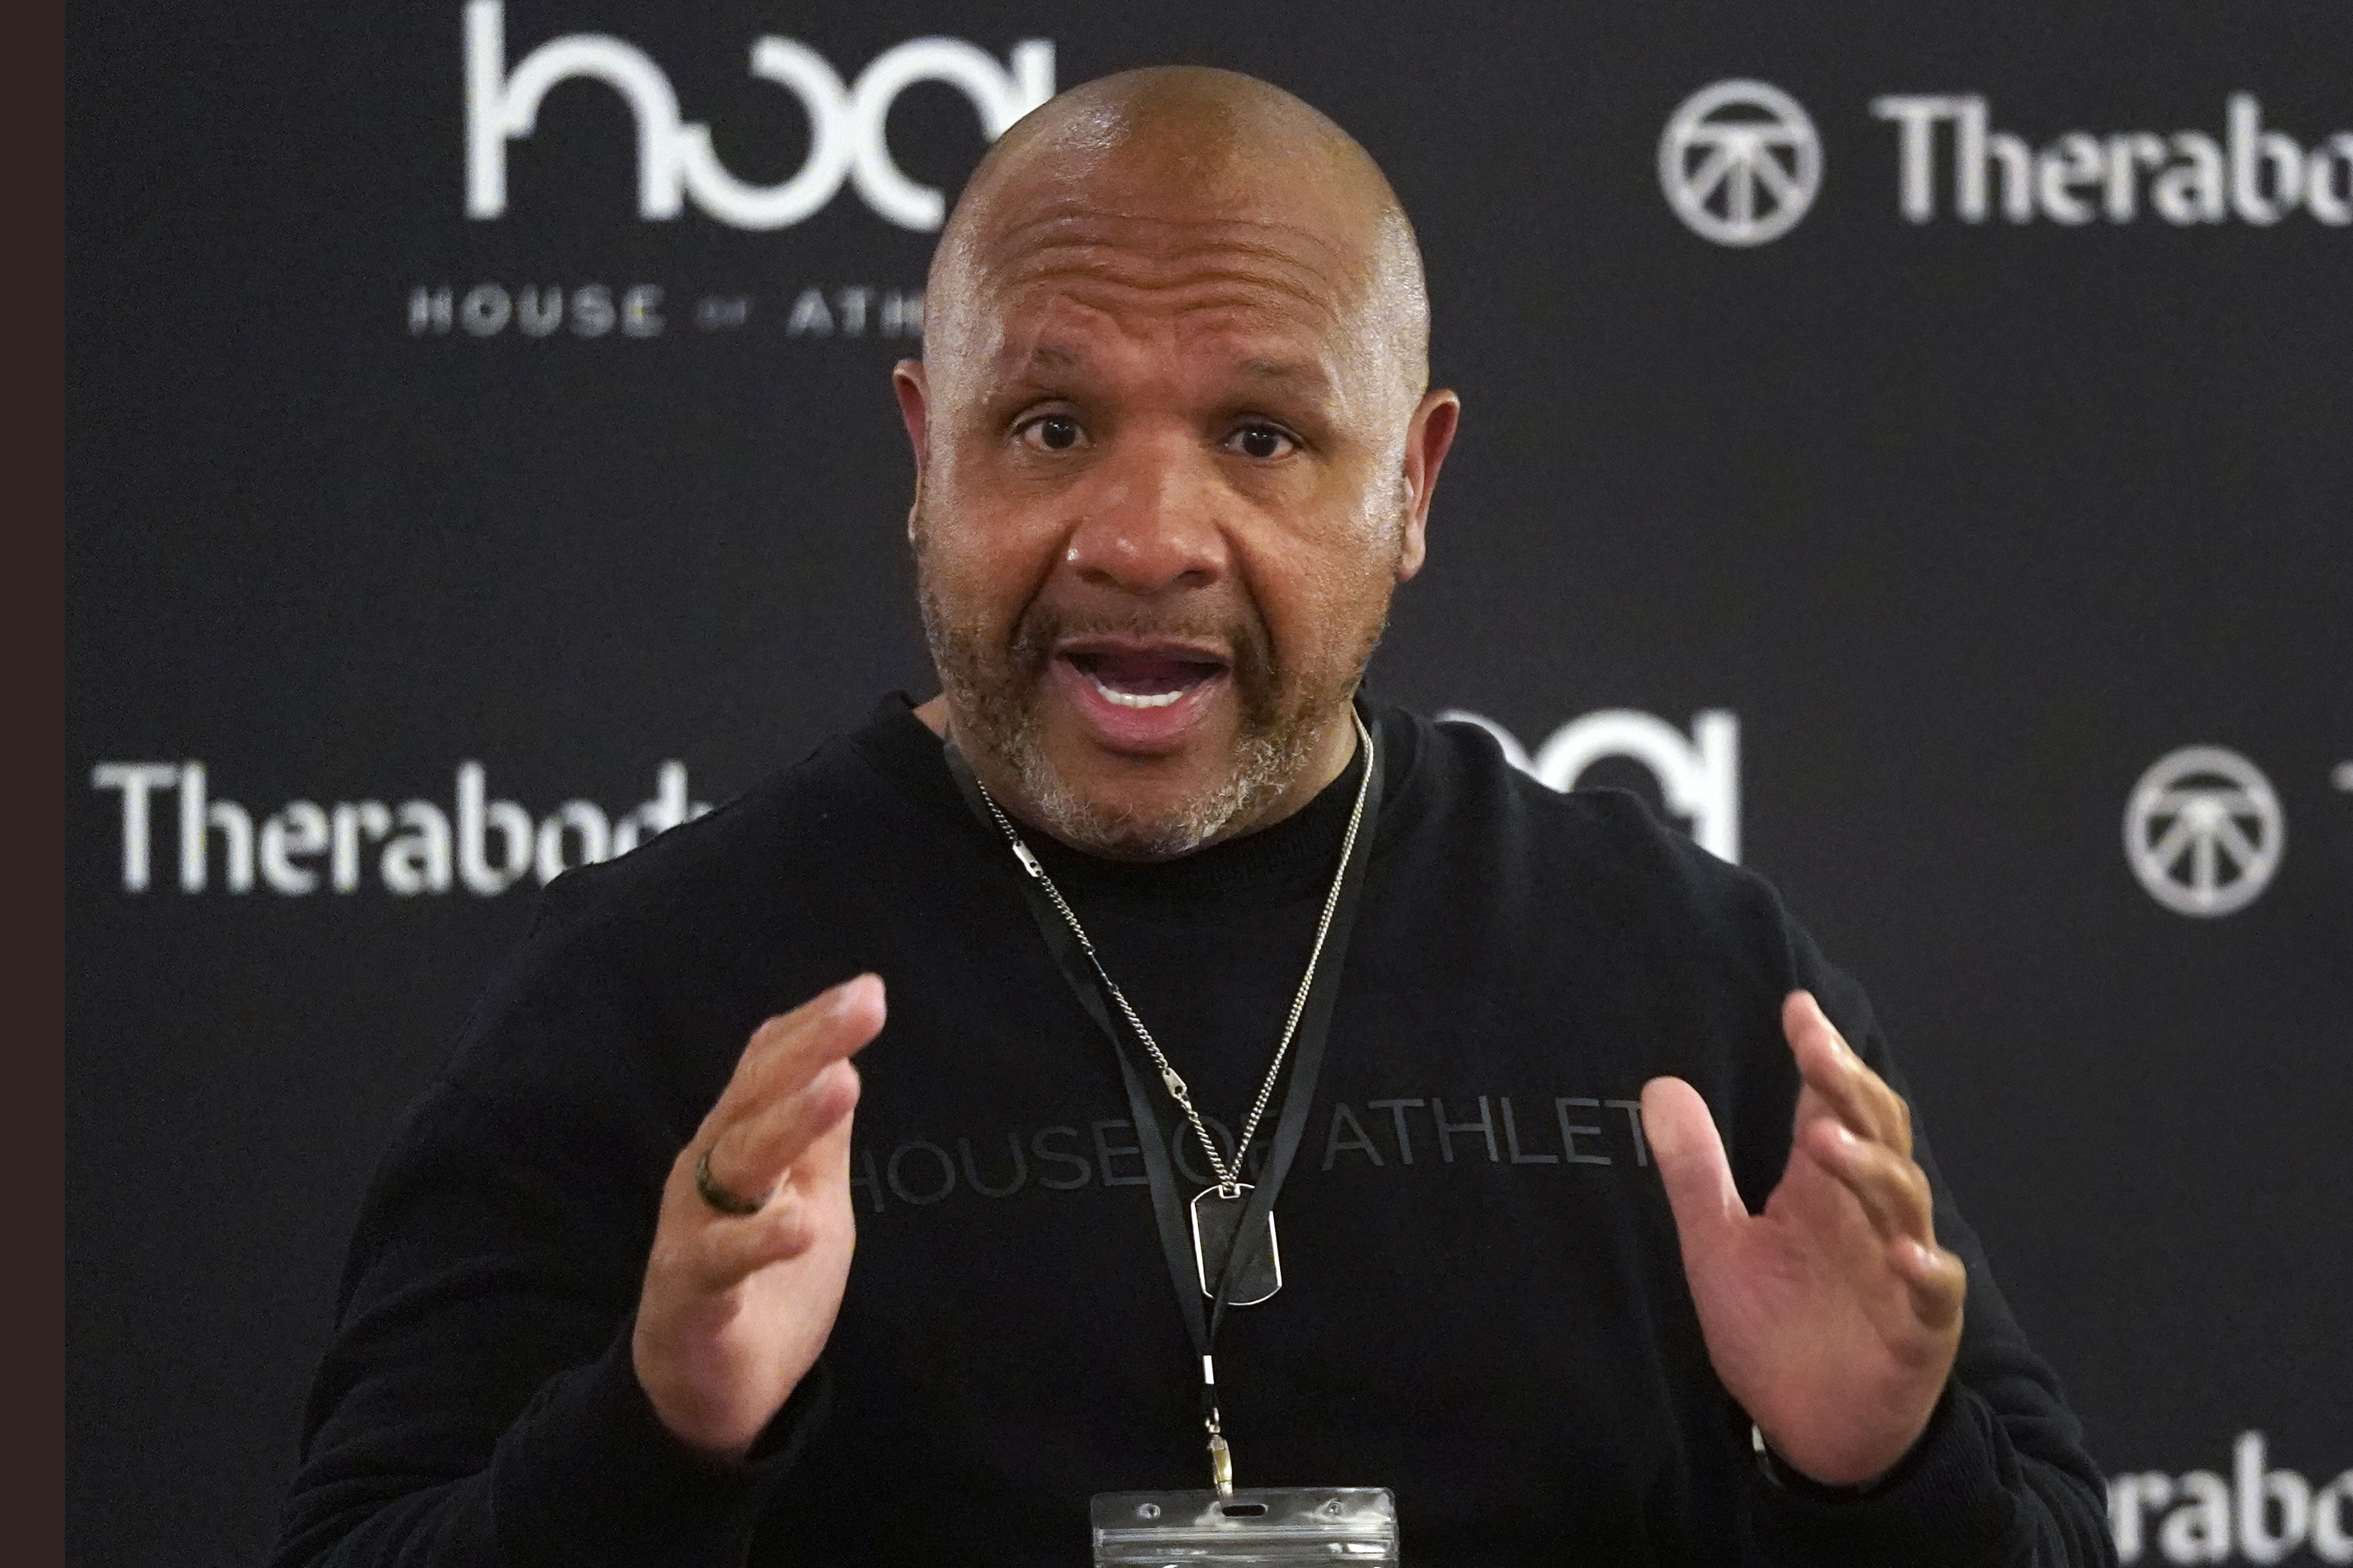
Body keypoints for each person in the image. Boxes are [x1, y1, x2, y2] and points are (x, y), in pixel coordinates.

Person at [274, 67, 2116, 1566]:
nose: (1144, 540)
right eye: (1053, 424)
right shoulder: (660, 987)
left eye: (1257, 437)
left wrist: (1876, 1480)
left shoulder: (1686, 974)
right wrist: (652, 1439)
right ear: (927, 455)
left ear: (1410, 480)